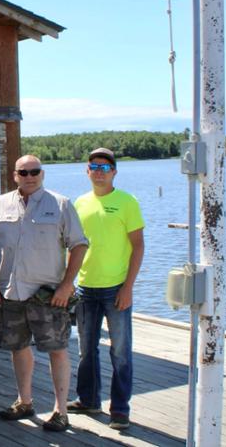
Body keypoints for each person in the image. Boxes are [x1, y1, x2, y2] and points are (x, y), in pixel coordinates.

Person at [0, 154, 88, 432]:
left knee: (57, 350)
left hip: (49, 295)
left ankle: (60, 410)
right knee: (18, 348)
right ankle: (24, 401)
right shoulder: (0, 204)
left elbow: (79, 245)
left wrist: (67, 284)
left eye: (35, 172)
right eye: (24, 172)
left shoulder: (61, 204)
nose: (29, 176)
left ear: (42, 174)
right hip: (12, 292)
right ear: (14, 175)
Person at [68, 148, 145, 430]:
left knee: (120, 352)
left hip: (116, 289)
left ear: (114, 172)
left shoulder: (127, 202)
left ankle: (120, 410)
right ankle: (87, 399)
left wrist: (128, 287)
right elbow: (74, 246)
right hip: (86, 287)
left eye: (105, 167)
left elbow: (138, 246)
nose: (99, 172)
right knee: (86, 350)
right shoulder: (80, 202)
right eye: (94, 167)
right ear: (86, 171)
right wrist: (68, 281)